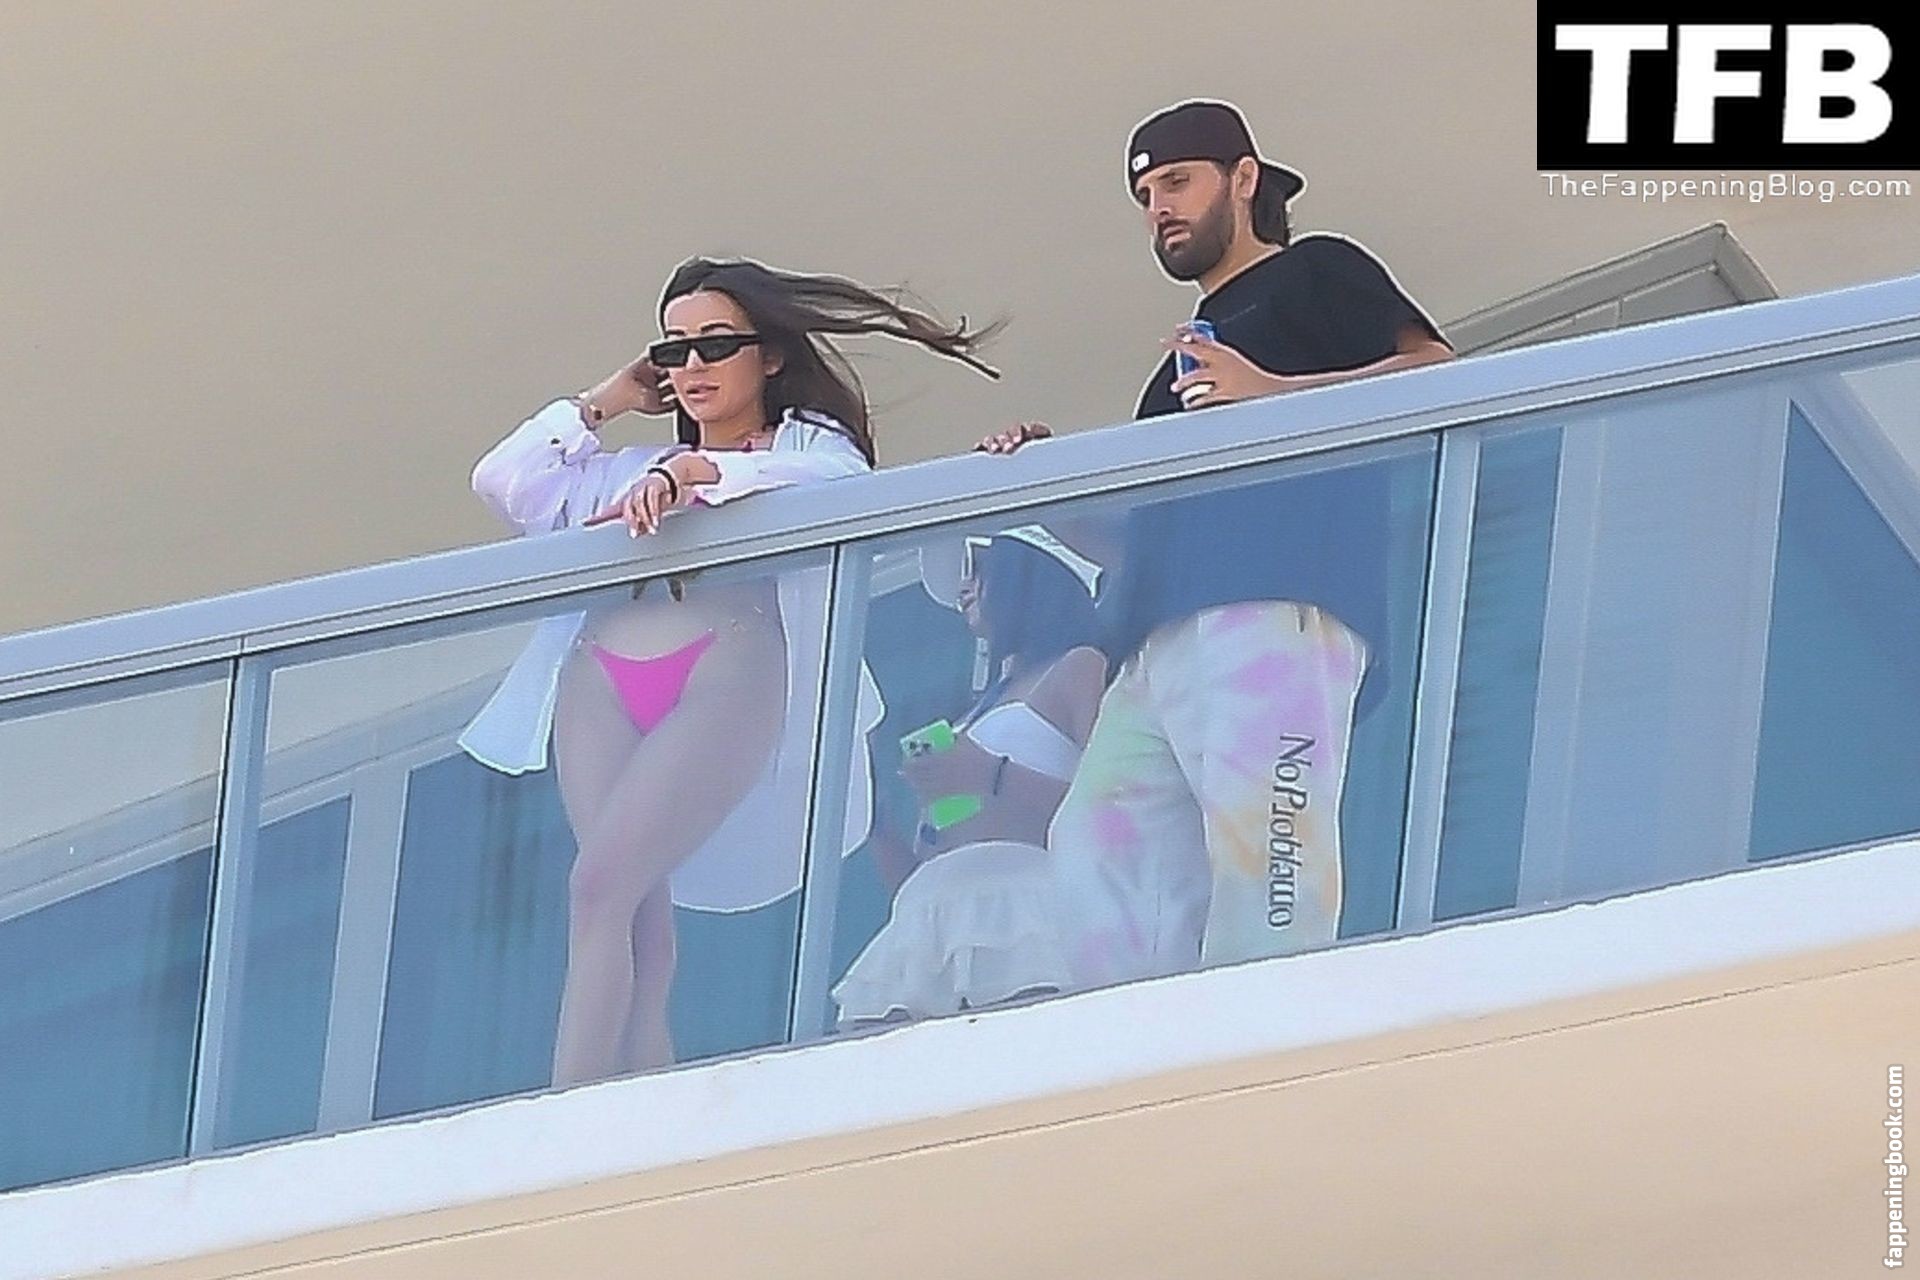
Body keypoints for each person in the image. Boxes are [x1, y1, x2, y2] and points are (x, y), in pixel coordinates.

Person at [461, 257, 998, 1084]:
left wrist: (698, 473)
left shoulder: (803, 452)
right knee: (630, 908)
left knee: (600, 883)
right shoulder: (627, 469)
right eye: (672, 351)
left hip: (727, 671)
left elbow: (837, 483)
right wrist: (605, 401)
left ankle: (571, 1106)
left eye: (715, 345)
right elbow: (504, 480)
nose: (693, 366)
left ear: (769, 356)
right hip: (599, 677)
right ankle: (614, 1105)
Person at [971, 99, 1455, 992]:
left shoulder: (1316, 269)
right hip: (1155, 642)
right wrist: (1041, 483)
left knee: (1263, 844)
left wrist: (1271, 392)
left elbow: (1436, 371)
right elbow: (1137, 541)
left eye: (1178, 182)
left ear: (1244, 178)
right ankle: (1137, 1045)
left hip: (1277, 606)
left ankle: (1268, 1034)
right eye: (1145, 195)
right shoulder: (1171, 378)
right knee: (1093, 842)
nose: (1159, 207)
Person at [833, 525, 1108, 1024]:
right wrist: (878, 820)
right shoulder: (973, 714)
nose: (965, 587)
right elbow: (925, 870)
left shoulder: (1078, 667)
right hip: (929, 919)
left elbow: (1112, 812)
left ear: (1030, 574)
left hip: (1027, 909)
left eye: (979, 569)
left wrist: (989, 775)